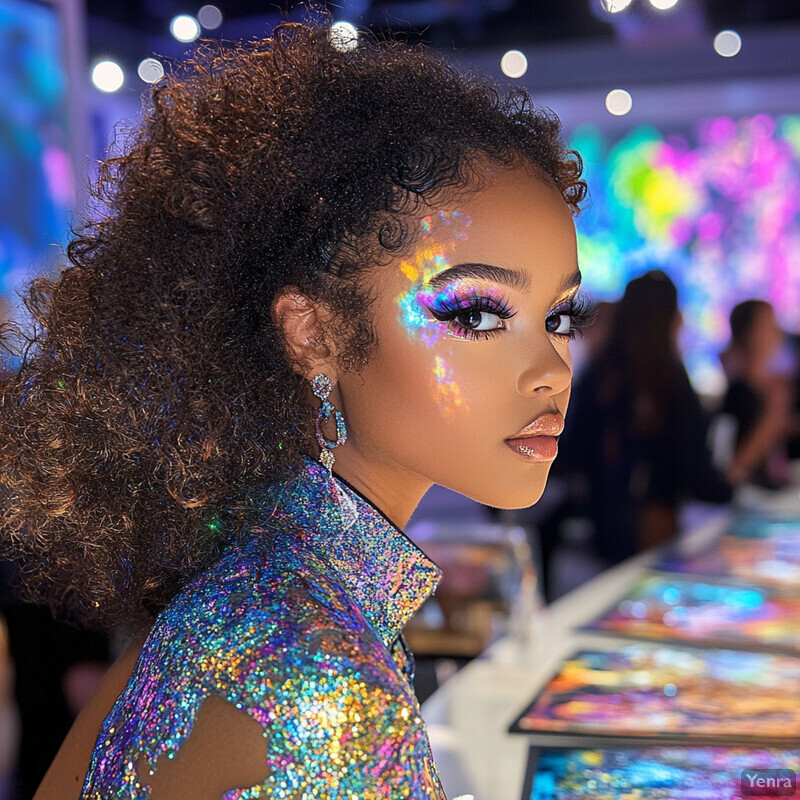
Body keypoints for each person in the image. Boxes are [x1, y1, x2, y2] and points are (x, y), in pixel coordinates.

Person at [0, 22, 587, 800]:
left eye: (560, 315)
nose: (550, 369)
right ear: (313, 333)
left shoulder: (239, 592)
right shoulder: (328, 692)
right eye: (477, 314)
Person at [556, 270, 731, 565]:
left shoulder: (601, 374)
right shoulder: (670, 380)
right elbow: (693, 465)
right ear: (670, 316)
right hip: (654, 528)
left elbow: (575, 450)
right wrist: (727, 488)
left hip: (604, 527)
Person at [719, 299, 795, 487]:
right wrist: (773, 416)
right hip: (749, 503)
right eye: (770, 324)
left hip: (776, 495)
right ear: (750, 334)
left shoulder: (777, 386)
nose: (778, 332)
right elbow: (732, 470)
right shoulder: (738, 394)